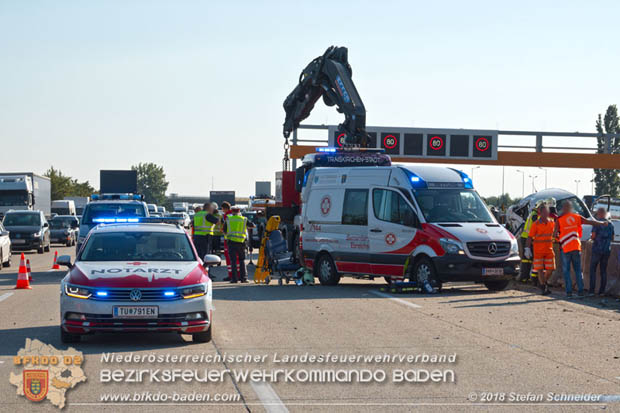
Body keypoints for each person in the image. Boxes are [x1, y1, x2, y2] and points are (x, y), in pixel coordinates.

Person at [554, 201, 608, 298]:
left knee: (566, 271)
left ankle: (569, 292)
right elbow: (591, 222)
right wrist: (602, 223)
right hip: (576, 247)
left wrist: (558, 238)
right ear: (571, 208)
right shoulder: (576, 217)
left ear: (563, 209)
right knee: (578, 270)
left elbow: (554, 234)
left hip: (565, 248)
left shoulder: (560, 219)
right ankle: (580, 291)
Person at [525, 203, 555, 295]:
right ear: (540, 213)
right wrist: (527, 248)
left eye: (547, 212)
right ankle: (543, 286)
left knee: (551, 269)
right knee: (540, 269)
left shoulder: (552, 222)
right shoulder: (536, 224)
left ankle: (543, 283)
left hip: (549, 249)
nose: (546, 214)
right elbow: (530, 237)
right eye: (544, 212)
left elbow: (555, 233)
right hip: (538, 250)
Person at [589, 207, 615, 296]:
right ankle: (602, 292)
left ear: (599, 214)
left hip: (597, 249)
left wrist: (592, 238)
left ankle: (591, 291)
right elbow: (612, 238)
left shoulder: (597, 223)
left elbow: (593, 236)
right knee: (603, 271)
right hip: (606, 250)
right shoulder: (611, 224)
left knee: (593, 270)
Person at [223, 206, 250, 283]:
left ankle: (234, 279)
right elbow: (252, 225)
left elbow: (224, 230)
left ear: (232, 212)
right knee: (242, 260)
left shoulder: (228, 219)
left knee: (233, 261)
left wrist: (228, 236)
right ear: (239, 212)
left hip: (231, 242)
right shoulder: (244, 219)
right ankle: (244, 278)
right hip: (241, 242)